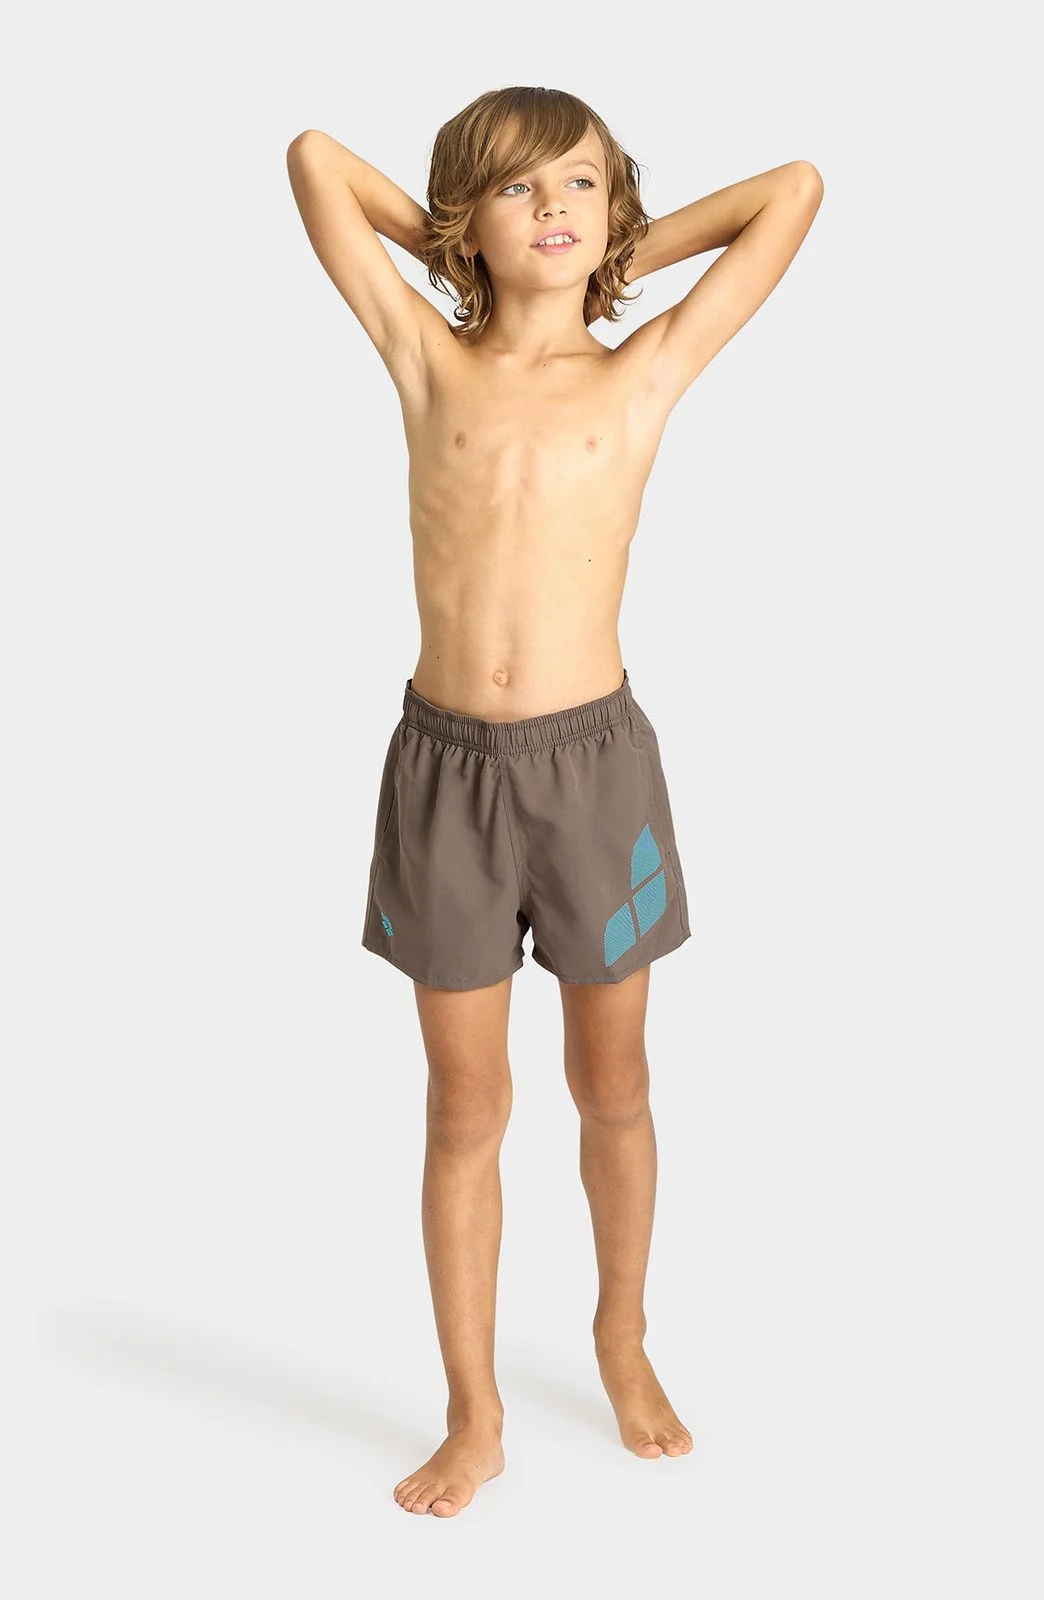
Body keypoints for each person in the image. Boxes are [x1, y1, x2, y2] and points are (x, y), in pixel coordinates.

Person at [286, 84, 823, 1518]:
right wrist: (463, 248)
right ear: (465, 223)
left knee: (614, 1083)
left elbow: (792, 189)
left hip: (594, 771)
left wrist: (614, 247)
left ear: (614, 212)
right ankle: (473, 1412)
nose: (553, 210)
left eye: (579, 185)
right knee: (465, 1104)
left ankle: (620, 1337)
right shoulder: (425, 358)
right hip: (445, 772)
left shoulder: (639, 372)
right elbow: (315, 160)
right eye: (519, 189)